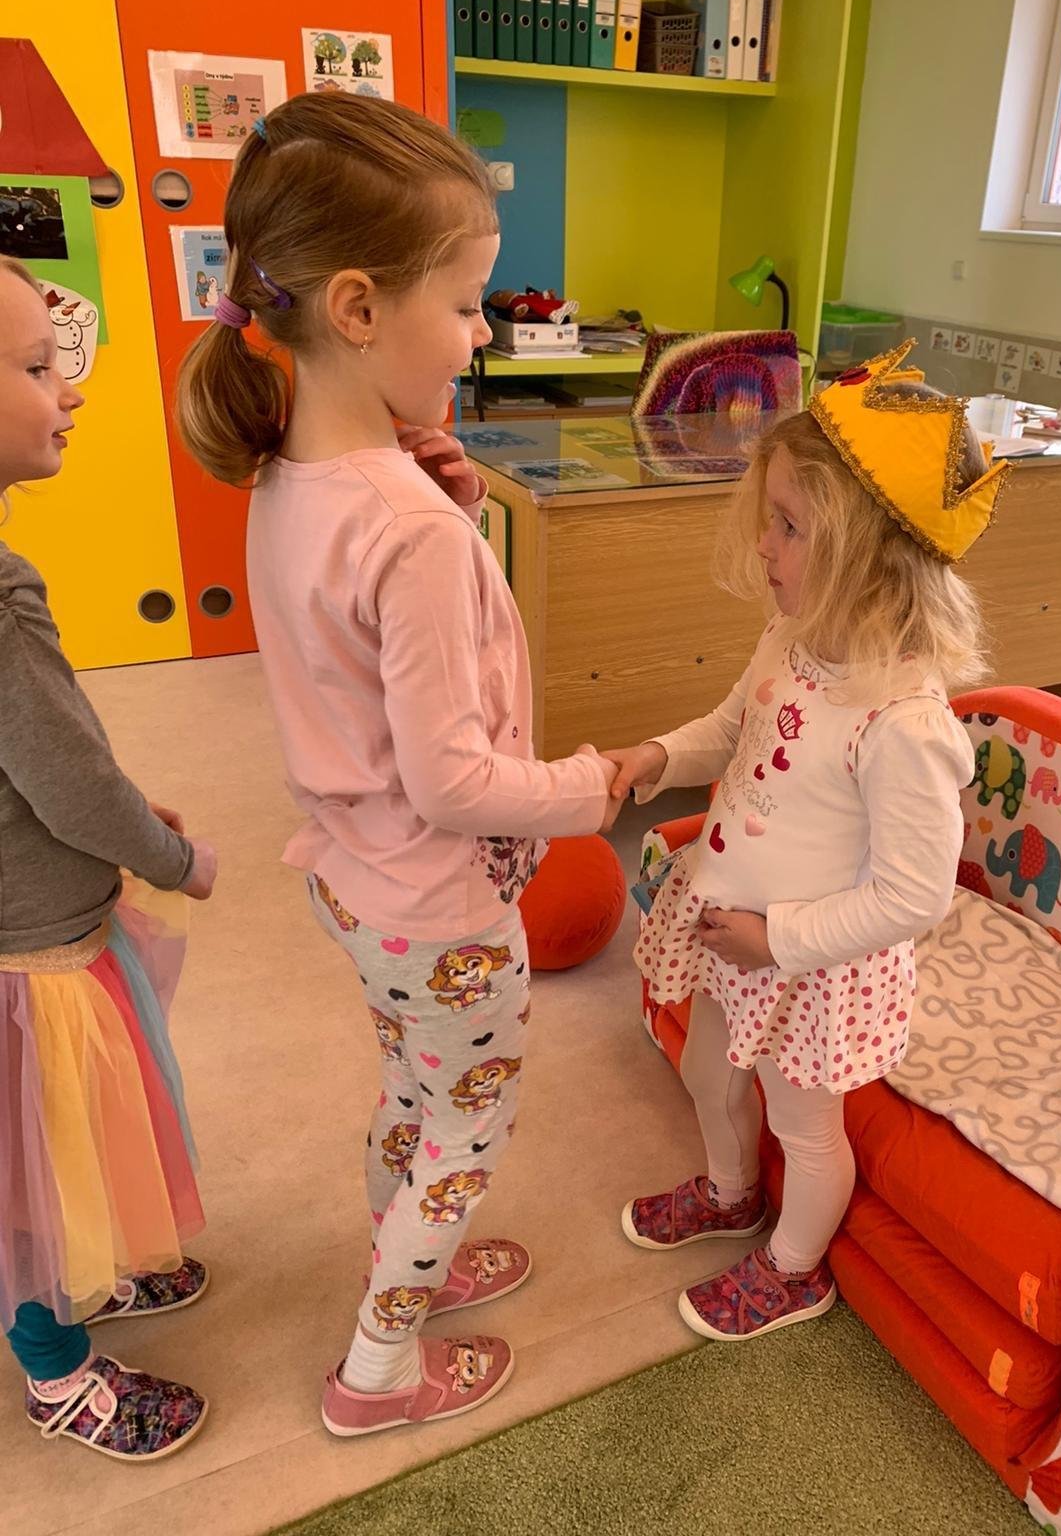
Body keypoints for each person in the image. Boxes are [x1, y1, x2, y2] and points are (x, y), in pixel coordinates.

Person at [176, 94, 620, 1436]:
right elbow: (453, 781)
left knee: (418, 1095)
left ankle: (403, 1258)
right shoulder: (403, 526)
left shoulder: (292, 476)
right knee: (465, 1133)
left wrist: (453, 505)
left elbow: (370, 655)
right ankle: (380, 1369)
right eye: (471, 303)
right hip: (440, 906)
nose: (485, 332)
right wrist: (606, 779)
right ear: (360, 308)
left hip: (358, 885)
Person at [603, 344, 1008, 1342]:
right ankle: (731, 1193)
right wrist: (656, 756)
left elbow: (913, 897)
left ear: (867, 560)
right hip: (730, 925)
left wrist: (777, 939)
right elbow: (730, 728)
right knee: (705, 1073)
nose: (764, 545)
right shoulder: (789, 640)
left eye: (788, 526)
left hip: (813, 964)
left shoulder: (904, 723)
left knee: (806, 1126)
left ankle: (794, 1272)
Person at [0, 254, 218, 1459]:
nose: (71, 390)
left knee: (59, 1159)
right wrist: (170, 855)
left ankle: (92, 1270)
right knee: (35, 1170)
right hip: (26, 958)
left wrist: (120, 813)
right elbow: (69, 783)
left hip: (29, 923)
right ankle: (56, 1369)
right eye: (39, 367)